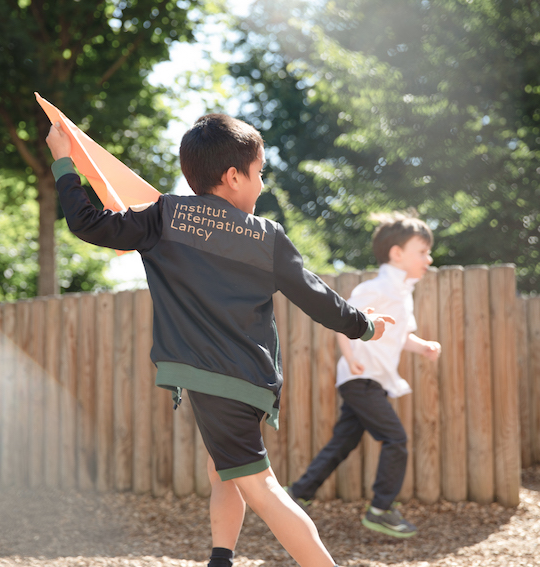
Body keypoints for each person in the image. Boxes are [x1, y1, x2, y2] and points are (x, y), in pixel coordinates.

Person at [45, 114, 395, 567]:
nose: (263, 184)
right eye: (261, 172)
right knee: (224, 473)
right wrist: (363, 325)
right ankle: (221, 558)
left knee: (262, 487)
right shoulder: (267, 236)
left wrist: (62, 161)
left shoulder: (165, 216)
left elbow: (89, 223)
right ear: (233, 176)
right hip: (248, 381)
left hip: (217, 379)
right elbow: (316, 297)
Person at [285, 211, 441, 538]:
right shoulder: (379, 287)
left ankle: (298, 494)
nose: (429, 258)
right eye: (422, 251)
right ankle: (381, 509)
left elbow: (400, 336)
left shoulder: (402, 292)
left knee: (343, 441)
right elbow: (346, 318)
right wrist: (350, 355)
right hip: (361, 379)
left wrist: (423, 346)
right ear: (397, 254)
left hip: (373, 381)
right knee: (396, 439)